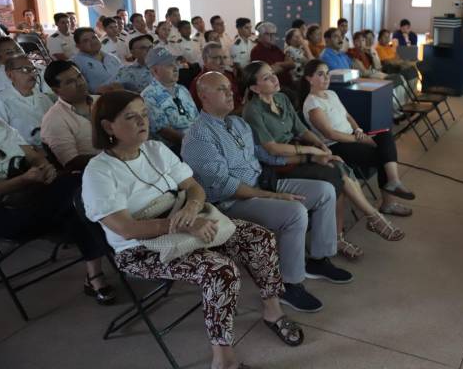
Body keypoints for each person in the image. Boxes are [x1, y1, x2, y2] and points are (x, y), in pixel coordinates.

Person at [82, 91, 303, 369]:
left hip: (182, 225)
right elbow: (125, 228)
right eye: (131, 116)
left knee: (258, 237)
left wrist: (191, 208)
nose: (142, 121)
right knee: (220, 271)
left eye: (144, 114)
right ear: (107, 127)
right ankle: (223, 359)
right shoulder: (99, 171)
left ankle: (272, 310)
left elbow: (193, 187)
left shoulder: (155, 150)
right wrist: (187, 223)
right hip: (140, 249)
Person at [183, 72, 353, 312]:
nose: (230, 92)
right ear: (203, 96)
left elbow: (264, 155)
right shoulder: (198, 136)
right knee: (294, 212)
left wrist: (312, 155)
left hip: (261, 183)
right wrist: (272, 196)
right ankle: (288, 285)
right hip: (231, 203)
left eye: (229, 87)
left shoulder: (237, 122)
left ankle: (318, 260)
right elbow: (223, 186)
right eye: (221, 89)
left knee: (325, 190)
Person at [242, 61, 404, 259]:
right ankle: (371, 218)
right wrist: (311, 150)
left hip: (300, 154)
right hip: (279, 165)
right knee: (334, 172)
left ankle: (346, 233)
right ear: (254, 87)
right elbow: (272, 148)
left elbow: (302, 130)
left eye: (272, 74)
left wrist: (322, 147)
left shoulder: (282, 99)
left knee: (336, 165)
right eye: (266, 78)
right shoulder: (253, 110)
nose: (275, 78)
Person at [0, 117, 114, 305]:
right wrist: (23, 181)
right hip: (5, 213)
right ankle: (117, 256)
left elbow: (32, 154)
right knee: (79, 189)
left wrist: (45, 167)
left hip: (33, 192)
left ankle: (96, 274)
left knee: (77, 200)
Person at [303, 59, 415, 217]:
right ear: (309, 78)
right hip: (336, 146)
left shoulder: (331, 93)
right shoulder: (312, 103)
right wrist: (358, 139)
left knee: (385, 134)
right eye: (320, 74)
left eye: (327, 73)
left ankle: (394, 181)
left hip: (351, 136)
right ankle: (389, 201)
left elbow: (347, 116)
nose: (326, 78)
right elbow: (330, 134)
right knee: (382, 155)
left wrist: (358, 130)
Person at [41, 60, 99, 171]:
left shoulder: (101, 101)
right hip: (91, 174)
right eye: (70, 82)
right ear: (56, 90)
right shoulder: (53, 120)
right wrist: (111, 158)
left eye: (79, 76)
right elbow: (71, 162)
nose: (80, 83)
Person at [141, 47, 199, 151]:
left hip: (197, 140)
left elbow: (197, 119)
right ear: (155, 71)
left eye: (175, 63)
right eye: (169, 65)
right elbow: (166, 133)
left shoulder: (182, 89)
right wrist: (196, 144)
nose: (176, 68)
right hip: (174, 150)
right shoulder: (148, 96)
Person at [0, 56, 53, 146]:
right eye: (25, 70)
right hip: (26, 154)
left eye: (34, 70)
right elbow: (4, 137)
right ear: (10, 75)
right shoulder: (1, 100)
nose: (32, 74)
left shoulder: (43, 98)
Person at [249, 22, 298, 108]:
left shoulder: (275, 48)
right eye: (268, 34)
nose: (272, 37)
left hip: (287, 83)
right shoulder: (257, 51)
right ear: (260, 36)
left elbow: (292, 64)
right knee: (293, 96)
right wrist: (283, 66)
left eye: (274, 34)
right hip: (273, 88)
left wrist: (278, 64)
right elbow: (268, 73)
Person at [189, 42, 242, 112]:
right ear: (205, 60)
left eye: (224, 57)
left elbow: (238, 100)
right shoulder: (199, 83)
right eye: (217, 58)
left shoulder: (228, 76)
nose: (222, 62)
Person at [72, 27, 123, 94]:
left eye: (94, 37)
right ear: (78, 46)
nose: (92, 42)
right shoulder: (75, 63)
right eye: (86, 41)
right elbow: (77, 90)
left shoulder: (111, 57)